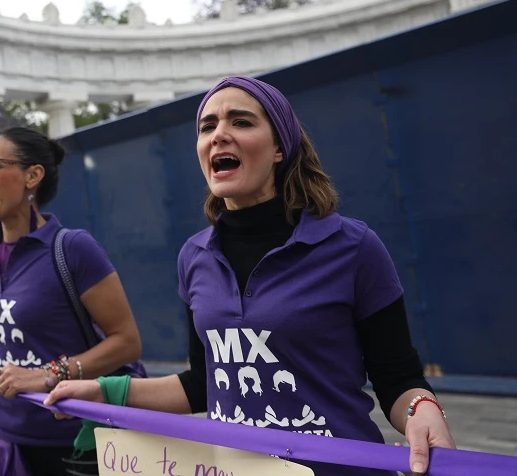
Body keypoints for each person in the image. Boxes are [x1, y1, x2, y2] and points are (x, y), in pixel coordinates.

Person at [44, 76, 458, 476]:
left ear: (280, 146)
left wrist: (422, 410)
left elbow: (398, 377)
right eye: (208, 126)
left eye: (240, 121)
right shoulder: (194, 256)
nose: (219, 134)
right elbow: (203, 383)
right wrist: (104, 391)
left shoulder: (354, 247)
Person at [0, 126, 143, 476]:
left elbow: (127, 343)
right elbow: (4, 342)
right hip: (6, 441)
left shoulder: (72, 248)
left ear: (33, 176)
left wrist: (46, 375)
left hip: (75, 443)